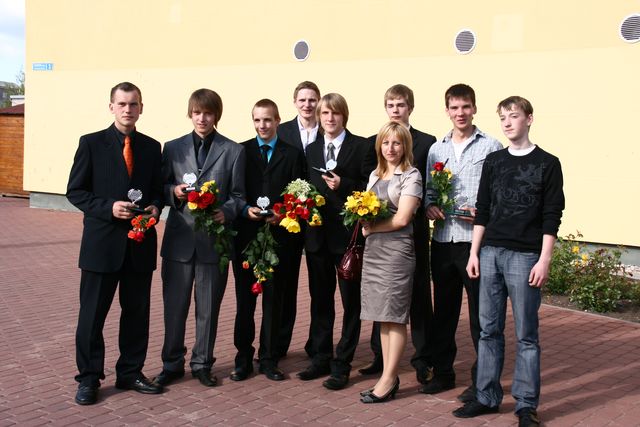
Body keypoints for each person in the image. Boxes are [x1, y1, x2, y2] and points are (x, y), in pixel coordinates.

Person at [453, 96, 564, 427]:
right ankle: (486, 396)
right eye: (502, 117)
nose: (507, 122)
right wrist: (474, 252)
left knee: (527, 334)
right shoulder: (494, 161)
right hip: (490, 253)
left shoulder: (548, 163)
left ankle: (526, 405)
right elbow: (483, 209)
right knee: (489, 330)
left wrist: (544, 260)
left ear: (529, 119)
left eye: (513, 116)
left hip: (526, 256)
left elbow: (552, 215)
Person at [67, 82, 164, 405]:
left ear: (141, 108)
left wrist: (155, 207)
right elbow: (76, 191)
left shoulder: (151, 147)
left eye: (133, 104)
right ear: (111, 107)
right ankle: (89, 378)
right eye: (122, 104)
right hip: (101, 246)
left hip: (139, 245)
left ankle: (130, 372)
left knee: (136, 314)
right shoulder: (91, 143)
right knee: (92, 316)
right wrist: (108, 208)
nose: (127, 109)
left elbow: (157, 190)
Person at [154, 89, 245, 388]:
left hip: (213, 244)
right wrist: (173, 191)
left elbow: (238, 196)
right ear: (190, 114)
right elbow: (159, 187)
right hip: (179, 242)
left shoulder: (233, 150)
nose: (202, 118)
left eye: (208, 113)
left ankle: (202, 363)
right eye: (197, 112)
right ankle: (171, 364)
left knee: (208, 309)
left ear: (216, 115)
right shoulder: (172, 148)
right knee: (174, 308)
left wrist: (226, 212)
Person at [421, 84, 502, 401]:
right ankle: (443, 373)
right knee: (444, 313)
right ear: (447, 111)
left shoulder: (491, 146)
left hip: (475, 244)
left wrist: (484, 213)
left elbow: (498, 194)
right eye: (454, 108)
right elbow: (429, 191)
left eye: (465, 107)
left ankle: (482, 380)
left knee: (481, 316)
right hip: (443, 240)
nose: (460, 113)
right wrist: (430, 206)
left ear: (474, 108)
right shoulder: (436, 150)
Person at [360, 84, 436, 385]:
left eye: (400, 104)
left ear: (410, 108)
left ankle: (422, 358)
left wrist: (374, 227)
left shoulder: (426, 143)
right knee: (385, 306)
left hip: (408, 234)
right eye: (390, 104)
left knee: (416, 299)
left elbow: (424, 191)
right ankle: (381, 360)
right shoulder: (375, 149)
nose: (395, 109)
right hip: (378, 245)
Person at [230, 99, 305, 381]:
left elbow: (300, 194)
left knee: (274, 301)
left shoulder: (293, 154)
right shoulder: (241, 151)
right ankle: (243, 358)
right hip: (246, 238)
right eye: (257, 120)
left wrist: (283, 213)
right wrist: (243, 209)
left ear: (277, 121)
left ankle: (269, 358)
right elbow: (234, 191)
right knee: (245, 302)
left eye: (268, 120)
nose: (262, 125)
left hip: (278, 238)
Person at [298, 93, 369, 390]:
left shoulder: (361, 146)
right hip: (317, 238)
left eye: (335, 113)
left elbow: (369, 186)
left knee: (351, 303)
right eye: (325, 113)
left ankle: (342, 364)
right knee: (320, 300)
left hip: (347, 240)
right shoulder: (312, 149)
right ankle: (321, 357)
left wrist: (344, 185)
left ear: (344, 116)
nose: (330, 118)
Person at [359, 121, 423, 403]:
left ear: (405, 146)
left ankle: (388, 379)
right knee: (382, 316)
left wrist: (371, 228)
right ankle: (388, 375)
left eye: (397, 142)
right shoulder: (375, 174)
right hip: (374, 252)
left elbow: (402, 218)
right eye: (386, 142)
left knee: (395, 316)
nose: (391, 148)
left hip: (397, 252)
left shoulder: (411, 175)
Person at [273, 81, 321, 359]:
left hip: (317, 220)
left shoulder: (327, 130)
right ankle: (280, 344)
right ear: (294, 102)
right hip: (288, 219)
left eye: (312, 100)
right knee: (286, 284)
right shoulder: (282, 132)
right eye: (302, 100)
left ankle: (317, 345)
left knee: (319, 285)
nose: (307, 105)